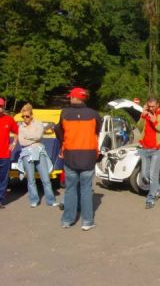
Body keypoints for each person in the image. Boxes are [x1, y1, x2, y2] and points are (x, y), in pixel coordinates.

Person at [55, 87, 101, 231]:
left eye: (71, 97)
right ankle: (87, 221)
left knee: (70, 189)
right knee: (86, 189)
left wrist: (65, 141)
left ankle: (67, 220)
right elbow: (97, 130)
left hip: (71, 155)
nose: (69, 98)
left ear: (75, 98)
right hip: (88, 156)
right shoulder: (94, 114)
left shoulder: (65, 113)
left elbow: (58, 130)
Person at [17, 103, 58, 207]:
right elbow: (21, 142)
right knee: (31, 179)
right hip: (26, 153)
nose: (25, 118)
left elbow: (39, 135)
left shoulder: (38, 124)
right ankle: (34, 200)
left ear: (31, 115)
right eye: (23, 116)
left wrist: (27, 137)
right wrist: (33, 139)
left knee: (46, 179)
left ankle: (51, 200)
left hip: (39, 152)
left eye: (27, 116)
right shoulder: (21, 127)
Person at [136, 96, 160, 209]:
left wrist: (155, 122)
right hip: (145, 148)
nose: (151, 108)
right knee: (144, 175)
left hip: (157, 149)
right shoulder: (146, 113)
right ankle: (157, 188)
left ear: (158, 105)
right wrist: (142, 114)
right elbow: (139, 128)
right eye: (149, 106)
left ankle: (150, 199)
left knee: (152, 175)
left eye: (153, 106)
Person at [0, 97, 18, 209]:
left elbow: (16, 131)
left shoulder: (9, 119)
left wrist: (14, 143)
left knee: (3, 178)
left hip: (4, 154)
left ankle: (0, 200)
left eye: (1, 106)